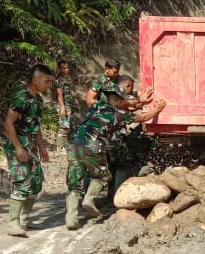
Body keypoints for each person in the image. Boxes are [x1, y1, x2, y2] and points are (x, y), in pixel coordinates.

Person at [65, 87, 167, 229]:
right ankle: (89, 199)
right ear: (119, 101)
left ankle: (71, 218)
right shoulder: (120, 114)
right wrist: (156, 109)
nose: (127, 102)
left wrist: (140, 102)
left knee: (75, 181)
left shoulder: (99, 105)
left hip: (74, 143)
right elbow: (142, 117)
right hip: (94, 144)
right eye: (124, 99)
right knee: (103, 176)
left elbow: (130, 105)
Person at [3, 64, 54, 237]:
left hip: (31, 145)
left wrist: (41, 147)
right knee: (22, 181)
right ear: (35, 80)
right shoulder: (21, 98)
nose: (49, 85)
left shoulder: (37, 99)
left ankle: (24, 221)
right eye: (46, 81)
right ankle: (13, 224)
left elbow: (36, 125)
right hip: (19, 144)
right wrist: (18, 148)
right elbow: (8, 122)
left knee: (35, 183)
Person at [52, 59, 76, 149]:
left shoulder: (64, 79)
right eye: (64, 68)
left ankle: (65, 145)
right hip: (63, 105)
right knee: (64, 126)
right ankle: (60, 147)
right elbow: (59, 94)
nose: (66, 70)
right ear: (59, 69)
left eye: (67, 68)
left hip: (67, 105)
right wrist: (62, 108)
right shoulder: (60, 80)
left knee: (67, 126)